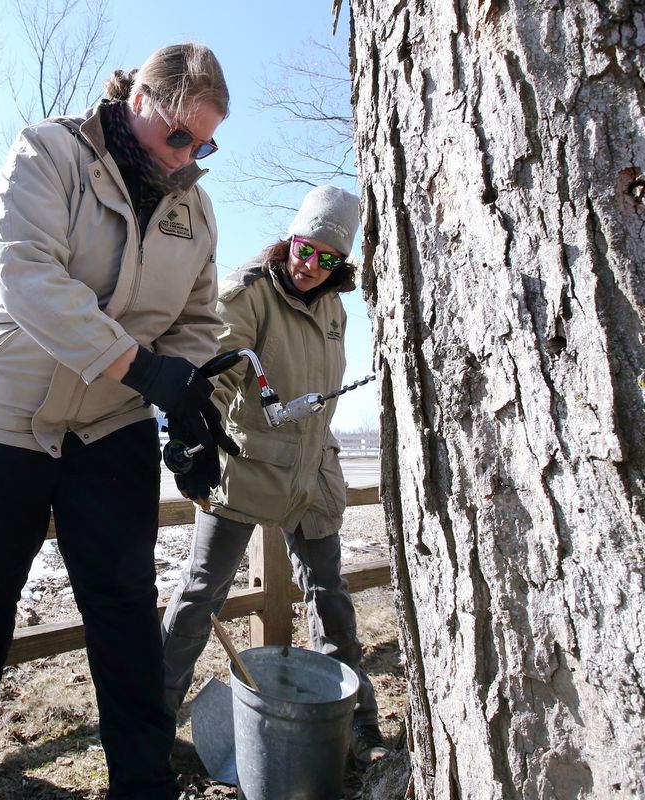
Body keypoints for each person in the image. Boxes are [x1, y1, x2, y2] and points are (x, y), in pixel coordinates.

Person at [0, 43, 236, 800]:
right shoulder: (48, 151)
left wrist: (184, 404)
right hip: (8, 415)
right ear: (138, 101)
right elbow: (27, 272)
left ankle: (142, 775)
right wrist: (142, 368)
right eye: (178, 134)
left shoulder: (195, 208)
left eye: (204, 142)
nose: (187, 155)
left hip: (110, 421)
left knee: (122, 602)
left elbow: (196, 318)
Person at [160, 185, 390, 769]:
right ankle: (151, 722)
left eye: (327, 259)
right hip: (244, 473)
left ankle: (358, 725)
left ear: (342, 264)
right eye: (303, 249)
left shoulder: (335, 307)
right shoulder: (249, 293)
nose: (309, 266)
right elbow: (215, 370)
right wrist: (195, 432)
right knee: (198, 595)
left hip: (314, 478)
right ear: (290, 239)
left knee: (331, 599)